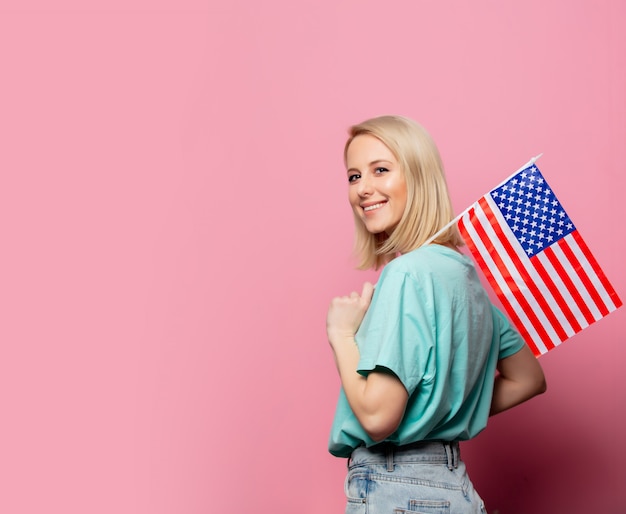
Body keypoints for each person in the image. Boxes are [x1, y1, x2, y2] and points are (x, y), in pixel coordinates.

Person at [326, 115, 547, 513]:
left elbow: (378, 417)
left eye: (380, 170)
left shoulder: (407, 273)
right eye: (354, 176)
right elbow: (528, 378)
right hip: (453, 486)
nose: (363, 189)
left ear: (419, 176)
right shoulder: (465, 278)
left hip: (396, 486)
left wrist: (341, 334)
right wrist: (440, 414)